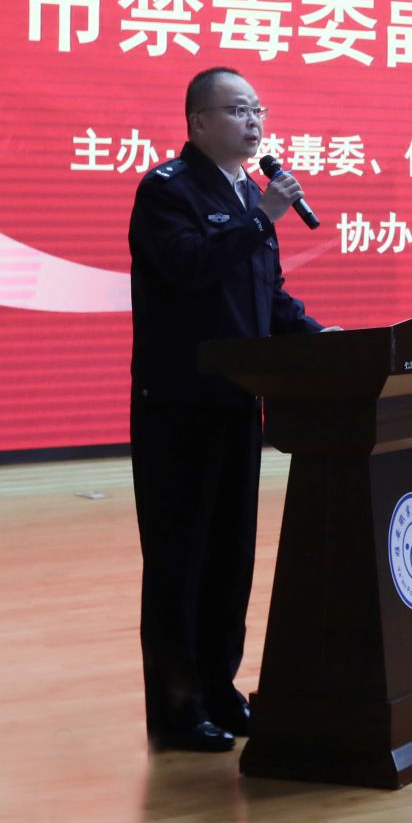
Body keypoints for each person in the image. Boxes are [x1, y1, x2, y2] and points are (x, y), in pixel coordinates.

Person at [128, 67, 331, 752]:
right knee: (180, 558)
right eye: (238, 109)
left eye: (259, 110)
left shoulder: (247, 194)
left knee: (229, 555)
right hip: (178, 405)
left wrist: (318, 337)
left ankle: (219, 688)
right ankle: (177, 709)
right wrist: (261, 217)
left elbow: (267, 296)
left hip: (239, 401)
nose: (254, 122)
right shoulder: (167, 190)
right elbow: (187, 266)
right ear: (198, 122)